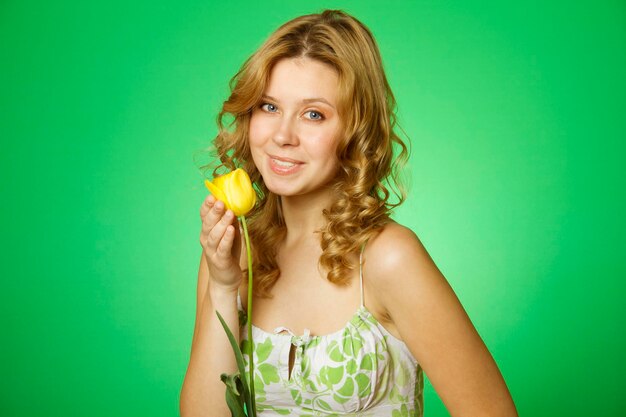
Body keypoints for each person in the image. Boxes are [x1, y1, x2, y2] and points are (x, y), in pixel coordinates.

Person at [180, 9, 518, 417]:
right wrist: (221, 286)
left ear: (355, 131)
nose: (282, 136)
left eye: (314, 114)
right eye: (269, 107)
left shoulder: (390, 258)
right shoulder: (233, 253)